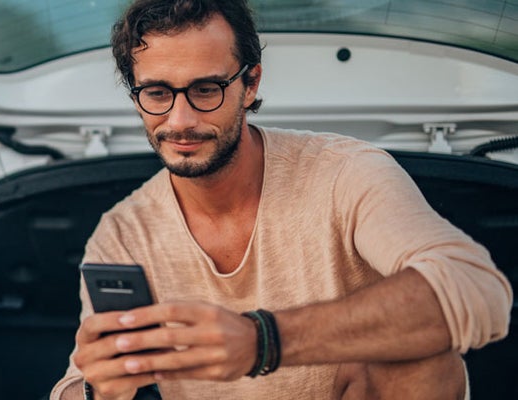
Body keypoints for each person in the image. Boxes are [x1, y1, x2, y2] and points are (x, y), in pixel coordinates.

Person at [50, 1, 513, 399]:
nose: (181, 118)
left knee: (422, 354)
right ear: (136, 97)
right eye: (156, 93)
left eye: (206, 89)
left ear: (250, 85)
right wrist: (100, 387)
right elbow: (75, 383)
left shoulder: (346, 173)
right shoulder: (123, 232)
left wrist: (262, 340)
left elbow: (476, 287)